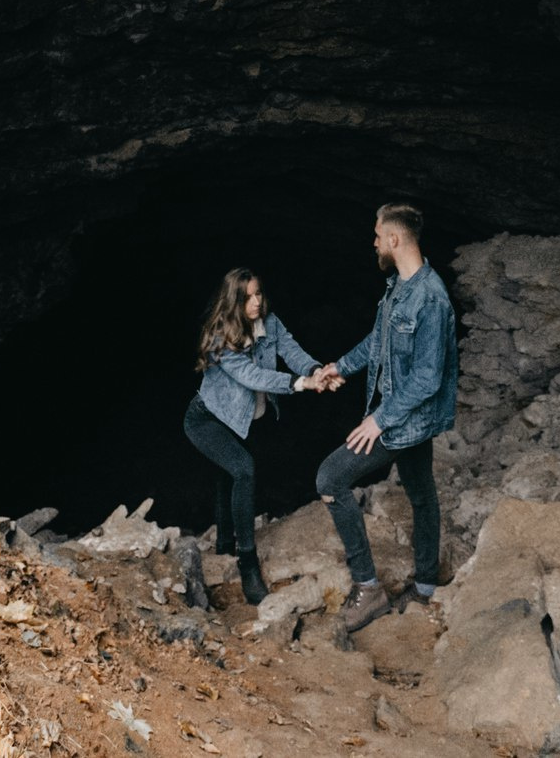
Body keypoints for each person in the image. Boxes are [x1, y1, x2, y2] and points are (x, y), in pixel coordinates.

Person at [311, 203, 459, 635]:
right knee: (421, 494)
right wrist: (340, 365)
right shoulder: (399, 286)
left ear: (395, 239)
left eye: (378, 235)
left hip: (406, 420)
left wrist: (379, 419)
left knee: (330, 478)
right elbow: (377, 342)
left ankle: (369, 588)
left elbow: (428, 378)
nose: (374, 242)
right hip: (406, 418)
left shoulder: (431, 298)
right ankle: (427, 585)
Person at [184, 267, 331, 605]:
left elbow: (291, 351)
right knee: (243, 469)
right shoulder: (221, 336)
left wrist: (314, 370)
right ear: (234, 300)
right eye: (248, 297)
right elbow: (252, 376)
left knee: (228, 477)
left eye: (259, 294)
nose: (256, 302)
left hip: (238, 420)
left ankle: (223, 547)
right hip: (206, 420)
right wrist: (298, 384)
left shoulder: (271, 323)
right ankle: (247, 562)